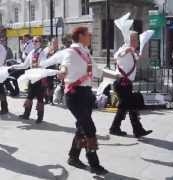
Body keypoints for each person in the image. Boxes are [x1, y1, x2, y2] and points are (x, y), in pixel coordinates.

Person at [55, 27, 108, 175]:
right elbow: (65, 65)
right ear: (80, 36)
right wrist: (63, 72)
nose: (91, 36)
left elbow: (97, 71)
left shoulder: (86, 52)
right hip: (75, 95)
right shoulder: (70, 52)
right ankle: (94, 163)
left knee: (81, 127)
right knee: (90, 128)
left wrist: (115, 75)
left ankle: (73, 157)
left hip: (86, 94)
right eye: (88, 34)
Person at [109, 31, 153, 138]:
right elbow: (117, 55)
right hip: (121, 84)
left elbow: (135, 58)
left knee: (124, 107)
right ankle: (137, 130)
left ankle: (116, 128)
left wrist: (137, 55)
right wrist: (126, 50)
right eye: (133, 39)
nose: (136, 41)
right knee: (131, 105)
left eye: (136, 39)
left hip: (126, 84)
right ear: (128, 40)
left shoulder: (132, 51)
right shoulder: (124, 49)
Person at [10, 36, 47, 123]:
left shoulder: (43, 53)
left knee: (40, 99)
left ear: (40, 43)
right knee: (29, 97)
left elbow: (44, 65)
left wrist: (38, 68)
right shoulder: (32, 52)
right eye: (33, 41)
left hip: (40, 79)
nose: (34, 43)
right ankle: (26, 114)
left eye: (36, 41)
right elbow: (25, 65)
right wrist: (14, 66)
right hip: (32, 78)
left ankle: (40, 117)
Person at [44, 38, 59, 104]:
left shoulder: (58, 51)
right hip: (47, 69)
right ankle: (47, 99)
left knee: (51, 85)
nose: (55, 44)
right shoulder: (48, 49)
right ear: (51, 43)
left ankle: (50, 99)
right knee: (46, 85)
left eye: (56, 42)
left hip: (54, 70)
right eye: (53, 42)